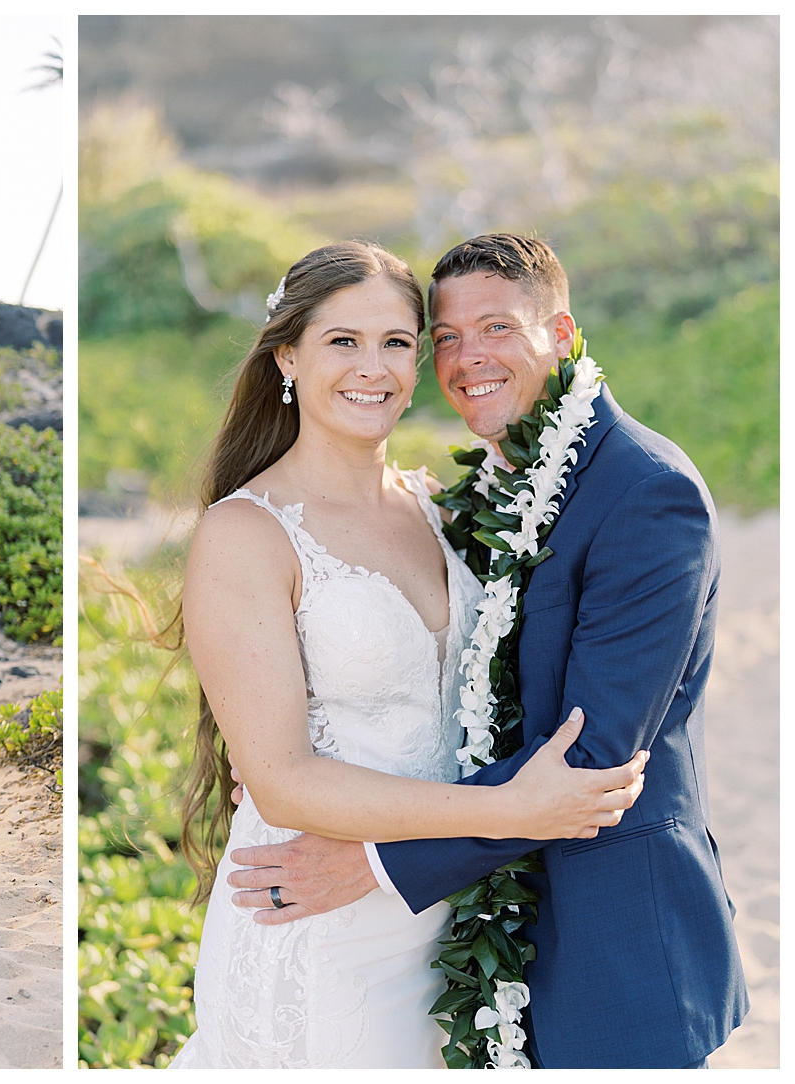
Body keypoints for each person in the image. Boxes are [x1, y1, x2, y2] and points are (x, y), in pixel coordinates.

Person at [223, 235, 747, 1068]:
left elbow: (592, 763)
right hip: (425, 936)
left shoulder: (647, 493)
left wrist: (380, 862)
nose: (468, 359)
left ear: (563, 335)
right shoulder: (470, 497)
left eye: (497, 327)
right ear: (287, 357)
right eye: (446, 339)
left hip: (612, 944)